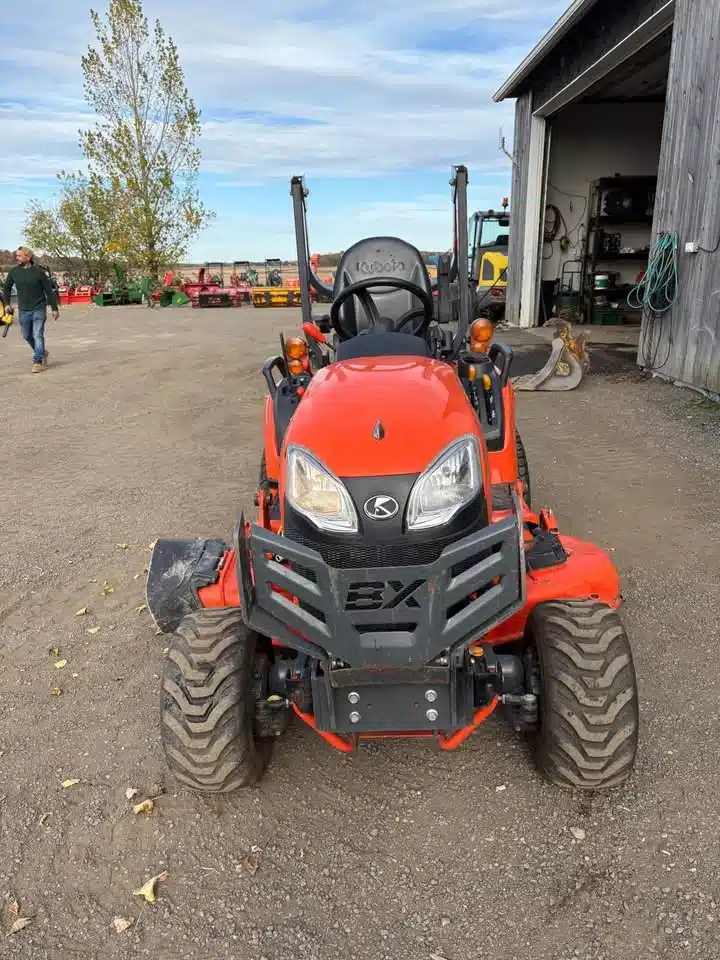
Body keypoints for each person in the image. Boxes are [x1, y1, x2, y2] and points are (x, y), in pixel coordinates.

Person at [2, 247, 60, 373]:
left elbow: (48, 291)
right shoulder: (14, 272)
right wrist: (6, 304)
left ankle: (37, 362)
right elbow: (6, 288)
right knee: (27, 336)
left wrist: (54, 309)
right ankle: (42, 352)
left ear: (28, 257)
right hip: (24, 309)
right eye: (16, 255)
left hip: (39, 308)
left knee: (37, 334)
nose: (17, 258)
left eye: (19, 256)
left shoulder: (39, 272)